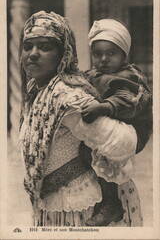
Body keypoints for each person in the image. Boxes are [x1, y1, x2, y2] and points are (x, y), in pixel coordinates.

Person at [19, 11, 140, 227]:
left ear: (62, 54)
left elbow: (123, 143)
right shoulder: (37, 89)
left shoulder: (67, 96)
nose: (33, 54)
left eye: (45, 47)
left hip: (81, 206)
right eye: (28, 46)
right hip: (51, 204)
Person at [79, 19, 152, 226]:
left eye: (111, 53)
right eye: (97, 53)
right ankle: (98, 195)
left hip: (132, 128)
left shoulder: (128, 76)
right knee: (86, 154)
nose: (103, 59)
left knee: (104, 156)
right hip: (112, 126)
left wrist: (104, 107)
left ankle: (112, 204)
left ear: (124, 55)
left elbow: (127, 101)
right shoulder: (95, 73)